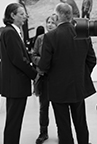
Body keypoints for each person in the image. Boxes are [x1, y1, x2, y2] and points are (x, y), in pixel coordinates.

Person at [38, 2, 97, 144]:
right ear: (70, 16)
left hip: (58, 89)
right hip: (78, 87)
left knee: (63, 126)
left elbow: (44, 65)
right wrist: (81, 74)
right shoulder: (83, 35)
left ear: (57, 16)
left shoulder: (50, 37)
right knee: (81, 123)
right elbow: (92, 60)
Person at [0, 3, 37, 144]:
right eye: (21, 14)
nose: (25, 16)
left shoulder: (13, 31)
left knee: (14, 120)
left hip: (15, 84)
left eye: (25, 14)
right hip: (15, 85)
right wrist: (35, 74)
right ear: (12, 15)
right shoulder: (10, 32)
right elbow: (18, 60)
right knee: (14, 121)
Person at [31, 14, 58, 144]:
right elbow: (33, 55)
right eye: (48, 22)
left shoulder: (60, 38)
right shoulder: (40, 39)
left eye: (53, 22)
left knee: (60, 108)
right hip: (44, 78)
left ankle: (62, 132)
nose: (50, 24)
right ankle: (43, 132)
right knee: (43, 107)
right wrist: (42, 61)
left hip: (58, 79)